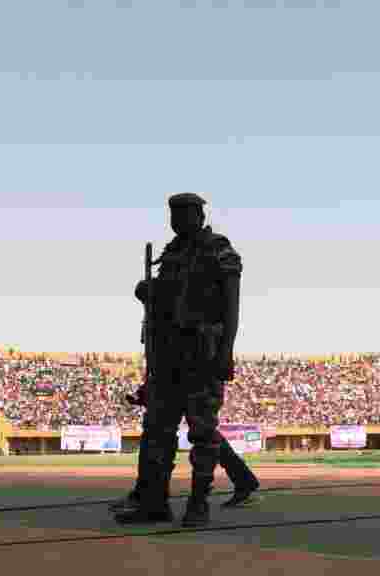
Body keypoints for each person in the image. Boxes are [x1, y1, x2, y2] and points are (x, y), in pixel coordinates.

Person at [113, 192, 243, 527]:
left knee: (202, 434)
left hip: (201, 353)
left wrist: (226, 351)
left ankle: (198, 505)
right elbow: (166, 299)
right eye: (174, 215)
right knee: (157, 430)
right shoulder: (171, 252)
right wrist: (149, 292)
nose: (178, 220)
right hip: (167, 355)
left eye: (185, 213)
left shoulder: (217, 248)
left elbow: (231, 305)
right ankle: (155, 503)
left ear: (200, 215)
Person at [108, 385, 262, 516]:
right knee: (192, 433)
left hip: (191, 379)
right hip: (180, 380)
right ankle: (150, 498)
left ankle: (185, 502)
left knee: (197, 434)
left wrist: (148, 389)